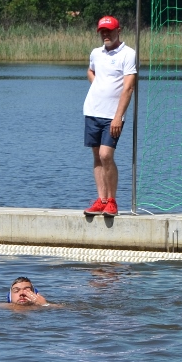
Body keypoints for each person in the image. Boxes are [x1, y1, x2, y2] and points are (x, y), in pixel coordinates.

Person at [82, 15, 136, 218]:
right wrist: (99, 85)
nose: (106, 34)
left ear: (118, 30)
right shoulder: (96, 53)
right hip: (92, 111)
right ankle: (101, 200)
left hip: (112, 116)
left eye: (109, 30)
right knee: (97, 157)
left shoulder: (128, 54)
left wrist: (118, 116)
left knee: (106, 155)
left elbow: (129, 87)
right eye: (102, 31)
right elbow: (90, 71)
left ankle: (112, 201)